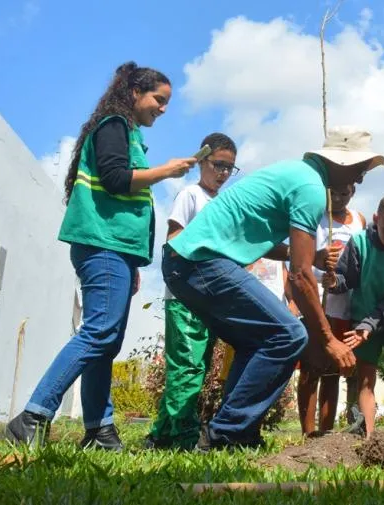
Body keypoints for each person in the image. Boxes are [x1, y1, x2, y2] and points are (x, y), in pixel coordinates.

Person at [0, 63, 196, 450]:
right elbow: (115, 179)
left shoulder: (130, 133)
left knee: (107, 341)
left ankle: (99, 430)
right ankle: (32, 417)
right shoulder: (113, 125)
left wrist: (133, 262)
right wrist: (166, 171)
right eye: (159, 99)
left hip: (116, 250)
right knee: (99, 332)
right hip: (103, 245)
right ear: (135, 93)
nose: (163, 108)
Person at [163, 126, 384, 451]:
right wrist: (328, 341)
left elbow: (265, 240)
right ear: (339, 162)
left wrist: (314, 257)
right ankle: (224, 433)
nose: (361, 179)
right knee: (291, 335)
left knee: (259, 340)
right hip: (199, 261)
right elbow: (300, 275)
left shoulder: (300, 175)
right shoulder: (310, 188)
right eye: (359, 169)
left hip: (187, 263)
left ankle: (238, 432)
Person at [145, 133, 239, 451]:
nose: (224, 173)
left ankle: (159, 435)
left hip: (208, 299)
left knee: (194, 369)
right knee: (186, 368)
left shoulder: (221, 203)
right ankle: (183, 439)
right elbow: (175, 239)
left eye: (230, 168)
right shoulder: (190, 195)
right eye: (219, 165)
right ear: (201, 161)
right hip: (186, 295)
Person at [323, 194, 384, 436]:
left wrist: (369, 325)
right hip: (362, 319)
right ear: (376, 219)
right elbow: (348, 279)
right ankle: (368, 437)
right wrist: (333, 281)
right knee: (366, 378)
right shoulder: (358, 243)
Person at [298, 184, 366, 436]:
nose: (338, 198)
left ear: (353, 192)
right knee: (311, 368)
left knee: (332, 372)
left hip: (346, 306)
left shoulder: (359, 220)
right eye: (333, 192)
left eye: (344, 193)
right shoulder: (315, 218)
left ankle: (325, 433)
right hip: (317, 303)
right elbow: (299, 258)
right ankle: (307, 432)